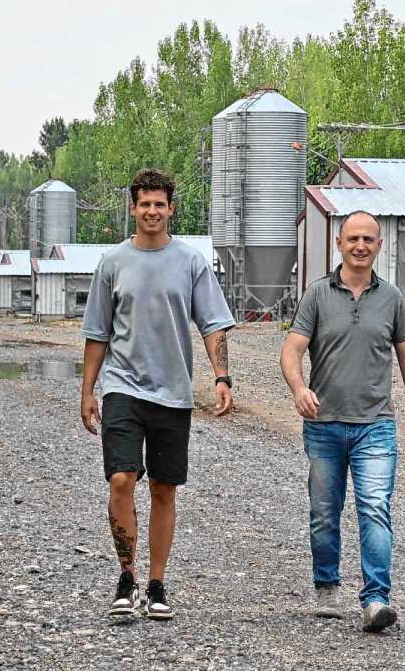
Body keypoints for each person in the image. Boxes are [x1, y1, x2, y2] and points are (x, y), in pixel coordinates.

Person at [80, 168, 235, 620]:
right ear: (133, 208)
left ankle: (157, 582)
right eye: (144, 203)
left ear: (170, 209)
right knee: (121, 479)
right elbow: (97, 333)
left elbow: (212, 324)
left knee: (165, 490)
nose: (152, 211)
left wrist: (221, 376)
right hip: (122, 388)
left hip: (173, 392)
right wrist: (88, 390)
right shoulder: (112, 263)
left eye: (159, 204)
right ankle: (126, 575)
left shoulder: (190, 262)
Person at [279, 209, 405, 633]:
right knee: (325, 512)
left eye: (369, 239)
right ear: (339, 244)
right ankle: (326, 585)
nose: (360, 245)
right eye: (353, 239)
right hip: (324, 425)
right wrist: (298, 389)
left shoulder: (392, 299)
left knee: (375, 509)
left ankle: (376, 599)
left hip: (375, 425)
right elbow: (291, 351)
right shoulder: (316, 295)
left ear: (379, 246)